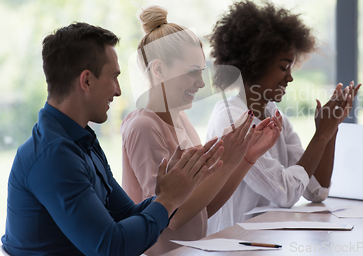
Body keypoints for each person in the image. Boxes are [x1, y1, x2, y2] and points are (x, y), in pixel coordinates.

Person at [1, 22, 224, 256]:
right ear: (86, 81)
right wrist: (168, 199)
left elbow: (127, 214)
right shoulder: (53, 155)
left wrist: (176, 189)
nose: (118, 91)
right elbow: (111, 248)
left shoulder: (82, 140)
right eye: (114, 77)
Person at [121, 6, 281, 254]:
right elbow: (172, 217)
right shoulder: (143, 127)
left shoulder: (182, 121)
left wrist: (246, 157)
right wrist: (227, 161)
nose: (201, 83)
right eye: (192, 72)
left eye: (202, 72)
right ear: (159, 70)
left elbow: (202, 210)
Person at [205, 0, 360, 233]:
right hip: (232, 244)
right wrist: (320, 136)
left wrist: (330, 129)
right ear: (253, 63)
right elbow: (285, 193)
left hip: (266, 243)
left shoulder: (276, 117)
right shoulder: (232, 119)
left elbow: (316, 190)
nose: (290, 77)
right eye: (283, 67)